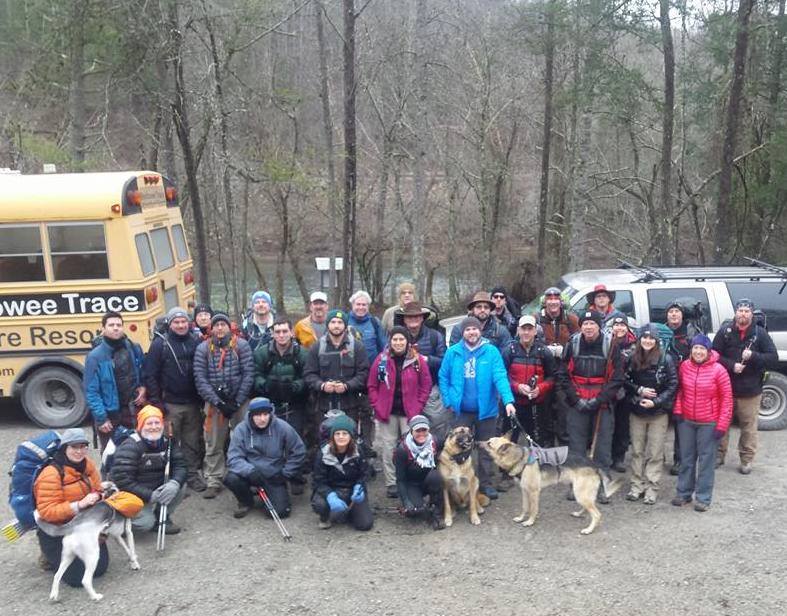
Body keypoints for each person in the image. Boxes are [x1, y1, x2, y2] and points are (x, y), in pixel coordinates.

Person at [439, 316, 516, 500]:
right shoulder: (453, 352)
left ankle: (485, 484)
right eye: (467, 330)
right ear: (462, 332)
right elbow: (443, 377)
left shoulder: (491, 351)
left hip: (486, 411)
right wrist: (449, 400)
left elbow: (500, 376)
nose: (471, 332)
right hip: (461, 410)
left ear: (480, 330)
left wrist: (508, 401)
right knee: (460, 447)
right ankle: (460, 482)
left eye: (474, 329)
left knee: (485, 449)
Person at [558, 311, 625, 501]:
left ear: (599, 326)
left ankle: (602, 485)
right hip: (577, 401)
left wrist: (600, 400)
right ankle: (576, 484)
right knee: (576, 447)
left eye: (592, 324)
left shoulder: (611, 345)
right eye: (585, 323)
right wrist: (575, 399)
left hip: (601, 402)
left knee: (602, 447)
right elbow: (562, 374)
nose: (588, 327)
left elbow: (617, 378)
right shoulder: (573, 344)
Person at [712, 298, 778, 474]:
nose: (743, 314)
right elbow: (713, 355)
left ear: (751, 313)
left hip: (750, 391)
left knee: (748, 427)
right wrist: (731, 365)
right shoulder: (725, 331)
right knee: (722, 425)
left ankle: (746, 460)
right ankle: (719, 455)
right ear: (735, 312)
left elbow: (773, 358)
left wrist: (754, 356)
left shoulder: (760, 333)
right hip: (725, 389)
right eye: (740, 310)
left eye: (746, 311)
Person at [143, 306, 205, 492]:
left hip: (193, 404)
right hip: (170, 405)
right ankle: (173, 481)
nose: (180, 325)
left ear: (189, 323)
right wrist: (157, 403)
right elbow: (150, 375)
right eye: (176, 322)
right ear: (170, 324)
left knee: (192, 443)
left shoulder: (196, 342)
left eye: (183, 321)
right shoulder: (159, 345)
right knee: (169, 445)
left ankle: (192, 476)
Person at [193, 312, 255, 499]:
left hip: (240, 401)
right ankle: (214, 479)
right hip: (214, 403)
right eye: (216, 325)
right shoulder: (203, 349)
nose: (220, 328)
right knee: (213, 442)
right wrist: (218, 401)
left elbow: (248, 374)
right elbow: (200, 378)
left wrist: (236, 401)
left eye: (223, 324)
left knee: (246, 439)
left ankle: (247, 476)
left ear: (229, 327)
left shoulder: (241, 346)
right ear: (211, 328)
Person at [33, 428, 107, 583]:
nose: (79, 451)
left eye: (83, 447)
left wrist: (98, 495)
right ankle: (48, 553)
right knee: (76, 578)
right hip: (57, 529)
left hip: (82, 525)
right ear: (64, 448)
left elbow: (99, 488)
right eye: (74, 447)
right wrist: (79, 505)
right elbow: (47, 512)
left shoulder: (88, 465)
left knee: (99, 569)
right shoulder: (51, 474)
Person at [367, 326, 432, 498]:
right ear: (390, 341)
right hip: (387, 413)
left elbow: (426, 385)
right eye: (394, 339)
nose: (398, 342)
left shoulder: (417, 361)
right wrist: (377, 404)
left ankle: (410, 480)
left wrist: (419, 405)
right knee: (388, 448)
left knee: (410, 448)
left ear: (407, 341)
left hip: (409, 413)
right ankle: (391, 482)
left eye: (401, 339)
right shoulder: (381, 359)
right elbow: (372, 385)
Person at [671, 335, 733, 512]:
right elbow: (680, 391)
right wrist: (678, 410)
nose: (698, 352)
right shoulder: (684, 366)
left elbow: (727, 400)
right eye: (695, 348)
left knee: (706, 461)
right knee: (686, 459)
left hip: (709, 423)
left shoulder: (719, 370)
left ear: (708, 351)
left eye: (702, 349)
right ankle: (683, 493)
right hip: (687, 421)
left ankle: (703, 498)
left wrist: (722, 425)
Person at [253, 316, 310, 494]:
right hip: (271, 403)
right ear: (272, 334)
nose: (282, 335)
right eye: (277, 332)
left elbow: (308, 376)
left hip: (295, 402)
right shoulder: (262, 353)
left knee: (295, 439)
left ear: (292, 332)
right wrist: (266, 385)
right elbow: (255, 374)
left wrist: (296, 386)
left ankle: (296, 475)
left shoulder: (302, 353)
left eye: (285, 331)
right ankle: (271, 475)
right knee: (271, 439)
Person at [224, 397, 306, 519]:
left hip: (274, 475)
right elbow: (234, 458)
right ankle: (246, 501)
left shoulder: (282, 427)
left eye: (265, 414)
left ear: (270, 413)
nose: (262, 419)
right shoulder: (241, 429)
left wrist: (286, 473)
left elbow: (299, 451)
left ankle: (268, 494)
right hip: (250, 473)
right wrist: (249, 471)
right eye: (258, 415)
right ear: (251, 415)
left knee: (281, 512)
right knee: (231, 478)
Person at [623, 325, 678, 504]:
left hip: (658, 413)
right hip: (637, 410)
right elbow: (624, 380)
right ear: (639, 339)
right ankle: (636, 486)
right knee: (637, 451)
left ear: (656, 341)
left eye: (651, 338)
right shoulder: (632, 358)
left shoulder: (666, 359)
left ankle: (651, 487)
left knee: (655, 452)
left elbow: (672, 385)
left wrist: (656, 401)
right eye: (644, 338)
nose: (647, 341)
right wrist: (639, 391)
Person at [111, 405, 188, 532]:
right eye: (149, 423)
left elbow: (180, 465)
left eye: (157, 422)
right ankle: (120, 522)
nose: (154, 427)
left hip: (157, 487)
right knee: (145, 524)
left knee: (180, 485)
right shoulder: (130, 446)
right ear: (141, 426)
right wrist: (150, 495)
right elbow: (123, 481)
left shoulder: (168, 442)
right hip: (135, 495)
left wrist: (174, 483)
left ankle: (161, 518)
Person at [303, 309, 371, 448]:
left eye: (340, 322)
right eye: (333, 322)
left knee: (349, 443)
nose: (336, 325)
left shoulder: (357, 347)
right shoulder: (317, 347)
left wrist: (347, 386)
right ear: (328, 325)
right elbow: (309, 374)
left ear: (345, 326)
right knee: (324, 443)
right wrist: (321, 385)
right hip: (323, 406)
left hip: (350, 405)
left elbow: (363, 374)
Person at [83, 311, 145, 452]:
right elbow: (91, 391)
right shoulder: (95, 357)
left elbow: (141, 370)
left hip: (131, 411)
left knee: (135, 452)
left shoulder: (132, 347)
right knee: (111, 456)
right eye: (111, 325)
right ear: (103, 329)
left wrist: (142, 387)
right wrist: (101, 418)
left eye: (119, 325)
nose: (116, 328)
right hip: (110, 416)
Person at [502, 315, 558, 447]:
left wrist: (540, 388)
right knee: (508, 442)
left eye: (529, 329)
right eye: (523, 329)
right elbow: (501, 377)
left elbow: (553, 377)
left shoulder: (544, 351)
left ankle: (537, 466)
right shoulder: (509, 351)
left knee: (537, 442)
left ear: (535, 331)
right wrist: (517, 386)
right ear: (518, 331)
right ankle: (505, 468)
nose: (526, 332)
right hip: (513, 404)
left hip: (536, 406)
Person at [311, 415, 374, 530]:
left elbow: (366, 472)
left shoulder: (358, 451)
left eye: (345, 434)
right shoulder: (323, 453)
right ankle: (325, 516)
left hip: (353, 491)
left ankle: (349, 511)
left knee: (365, 525)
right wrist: (330, 496)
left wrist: (360, 486)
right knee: (320, 504)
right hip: (332, 490)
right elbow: (318, 481)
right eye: (337, 434)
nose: (341, 437)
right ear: (332, 436)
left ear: (351, 436)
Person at [536, 287, 580, 446]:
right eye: (549, 299)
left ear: (561, 302)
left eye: (556, 299)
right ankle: (546, 444)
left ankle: (565, 447)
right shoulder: (536, 319)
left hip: (564, 372)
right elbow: (528, 340)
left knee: (564, 410)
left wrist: (565, 350)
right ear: (544, 302)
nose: (553, 302)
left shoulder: (572, 319)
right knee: (544, 409)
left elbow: (579, 342)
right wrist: (545, 350)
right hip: (543, 370)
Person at [664, 300, 702, 476]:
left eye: (676, 312)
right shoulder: (660, 332)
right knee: (660, 423)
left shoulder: (692, 333)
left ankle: (679, 459)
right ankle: (657, 458)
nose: (673, 315)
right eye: (670, 312)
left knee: (681, 425)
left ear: (682, 315)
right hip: (663, 385)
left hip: (684, 386)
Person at [393, 415, 445, 530]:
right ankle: (420, 506)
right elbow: (400, 480)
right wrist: (406, 502)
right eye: (418, 430)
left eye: (424, 430)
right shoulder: (402, 450)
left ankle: (437, 512)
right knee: (415, 512)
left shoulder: (435, 441)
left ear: (428, 430)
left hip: (430, 479)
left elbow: (452, 445)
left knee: (436, 476)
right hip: (411, 484)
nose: (421, 433)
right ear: (411, 431)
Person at [609, 315, 637, 472]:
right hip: (608, 390)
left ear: (627, 328)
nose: (619, 328)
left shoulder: (634, 346)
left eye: (622, 325)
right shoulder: (606, 343)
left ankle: (619, 457)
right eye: (616, 325)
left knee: (622, 426)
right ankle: (606, 455)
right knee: (607, 425)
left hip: (626, 391)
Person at [395, 301, 445, 382]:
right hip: (403, 386)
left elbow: (444, 361)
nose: (413, 319)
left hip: (431, 385)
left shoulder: (435, 336)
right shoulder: (396, 337)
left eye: (416, 316)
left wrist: (426, 359)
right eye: (409, 317)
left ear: (422, 318)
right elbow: (388, 360)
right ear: (404, 319)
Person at [347, 290, 386, 365]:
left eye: (364, 305)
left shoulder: (374, 322)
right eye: (358, 304)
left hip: (371, 369)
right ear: (352, 305)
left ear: (368, 306)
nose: (361, 307)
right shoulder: (344, 321)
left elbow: (383, 347)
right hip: (349, 370)